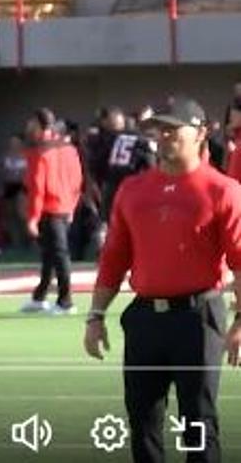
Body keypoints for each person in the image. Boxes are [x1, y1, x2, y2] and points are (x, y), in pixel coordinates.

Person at [85, 96, 241, 463]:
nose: (164, 136)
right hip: (144, 319)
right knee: (142, 421)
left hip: (198, 318)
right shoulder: (133, 190)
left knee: (197, 423)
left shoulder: (223, 191)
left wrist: (240, 322)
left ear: (201, 133)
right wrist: (95, 316)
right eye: (159, 129)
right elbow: (114, 259)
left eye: (173, 129)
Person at [20, 108, 83, 315]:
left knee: (59, 254)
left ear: (40, 126)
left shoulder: (42, 152)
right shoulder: (69, 148)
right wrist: (73, 206)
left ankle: (66, 301)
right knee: (49, 254)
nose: (29, 127)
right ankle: (40, 296)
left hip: (50, 209)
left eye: (32, 124)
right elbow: (77, 181)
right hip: (64, 207)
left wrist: (33, 217)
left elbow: (38, 187)